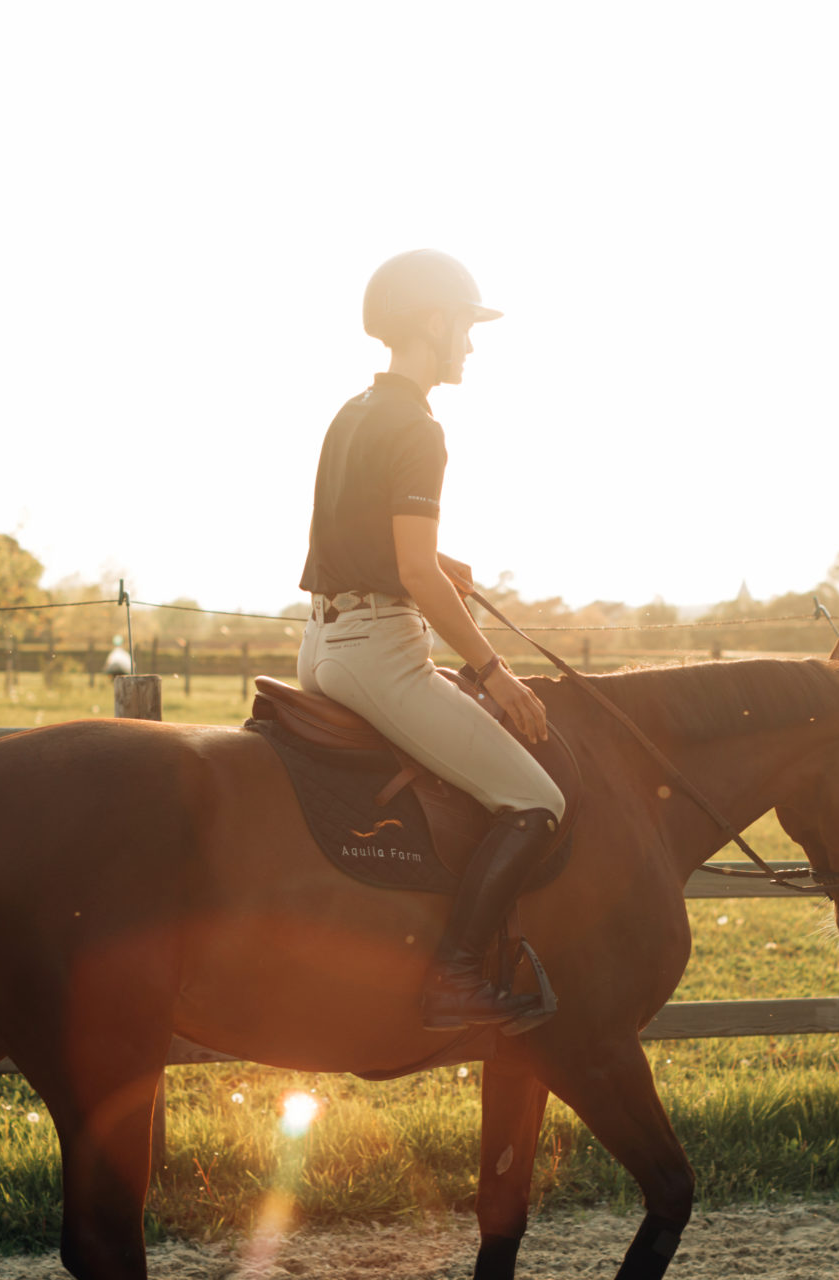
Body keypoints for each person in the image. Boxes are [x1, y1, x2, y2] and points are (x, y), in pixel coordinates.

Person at [297, 249, 566, 1031]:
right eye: (467, 330)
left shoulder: (352, 412)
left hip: (321, 645)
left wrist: (439, 561)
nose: (472, 348)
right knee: (536, 799)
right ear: (434, 322)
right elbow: (413, 573)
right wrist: (497, 672)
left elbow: (350, 536)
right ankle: (452, 978)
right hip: (379, 651)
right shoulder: (419, 428)